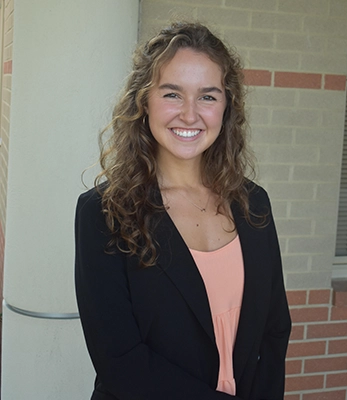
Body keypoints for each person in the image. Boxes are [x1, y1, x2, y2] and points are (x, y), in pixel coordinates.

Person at [75, 21, 291, 400]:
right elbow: (121, 361)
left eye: (208, 96)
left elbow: (274, 331)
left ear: (227, 106)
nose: (190, 115)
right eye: (173, 94)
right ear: (144, 101)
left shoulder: (254, 203)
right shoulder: (105, 213)